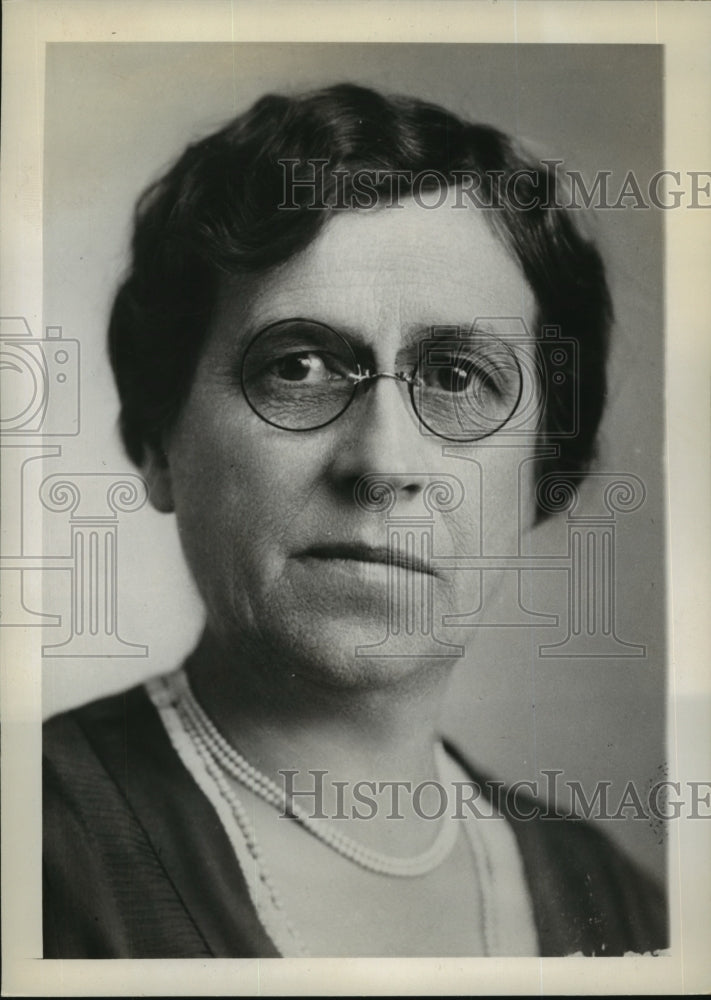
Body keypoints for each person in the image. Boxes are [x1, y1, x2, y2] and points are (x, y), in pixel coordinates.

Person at [43, 83, 666, 958]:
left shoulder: (626, 911)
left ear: (541, 478)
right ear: (157, 441)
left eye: (456, 379)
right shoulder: (38, 847)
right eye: (297, 366)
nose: (380, 464)